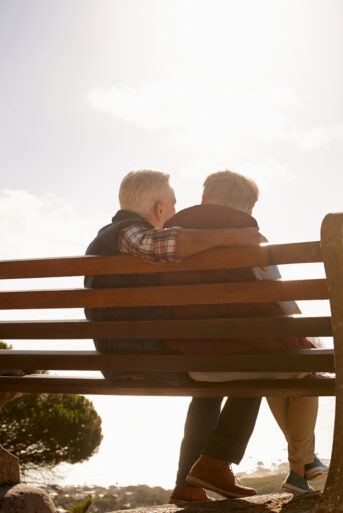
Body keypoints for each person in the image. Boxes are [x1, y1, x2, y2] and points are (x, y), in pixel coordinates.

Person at [84, 170, 264, 503]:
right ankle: (215, 463)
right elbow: (159, 244)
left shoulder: (111, 240)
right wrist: (231, 237)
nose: (176, 211)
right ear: (159, 208)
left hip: (129, 354)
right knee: (256, 367)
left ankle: (189, 485)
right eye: (173, 203)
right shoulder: (125, 233)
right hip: (145, 355)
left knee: (213, 382)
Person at [162, 170, 328, 496]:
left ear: (204, 199)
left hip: (194, 361)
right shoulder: (251, 242)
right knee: (307, 365)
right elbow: (283, 304)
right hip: (247, 359)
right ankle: (303, 462)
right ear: (250, 211)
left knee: (262, 365)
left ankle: (192, 481)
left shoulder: (170, 242)